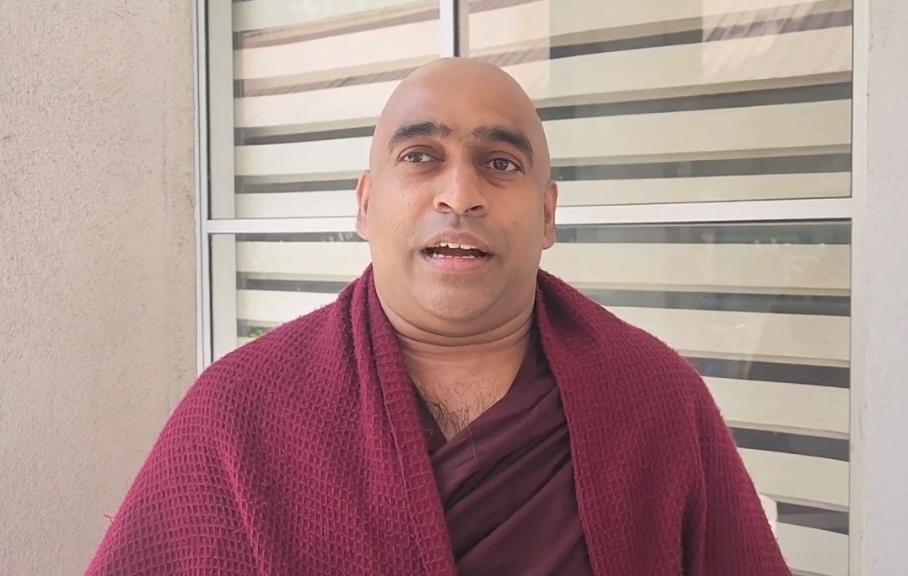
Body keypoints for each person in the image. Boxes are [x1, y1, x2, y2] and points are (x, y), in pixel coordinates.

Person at [86, 58, 790, 575]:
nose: (459, 194)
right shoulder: (240, 410)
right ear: (366, 205)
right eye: (421, 157)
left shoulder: (652, 396)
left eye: (501, 164)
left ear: (548, 215)